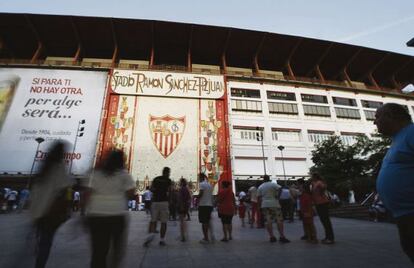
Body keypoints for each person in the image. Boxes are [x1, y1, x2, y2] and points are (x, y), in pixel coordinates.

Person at [375, 103, 414, 263]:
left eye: (377, 117)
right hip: (404, 214)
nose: (374, 122)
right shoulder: (397, 139)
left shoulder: (411, 133)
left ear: (391, 116)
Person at [86, 150, 135, 268]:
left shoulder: (96, 173)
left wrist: (83, 212)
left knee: (98, 251)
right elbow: (130, 194)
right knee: (117, 250)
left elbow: (87, 193)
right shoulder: (124, 174)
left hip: (96, 215)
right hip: (116, 215)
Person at [30, 141, 73, 268]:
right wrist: (68, 206)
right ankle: (40, 264)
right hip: (50, 212)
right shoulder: (59, 168)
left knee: (42, 237)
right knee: (46, 242)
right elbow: (67, 189)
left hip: (37, 211)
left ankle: (37, 251)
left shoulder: (42, 168)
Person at [144, 167, 172, 247]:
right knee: (164, 221)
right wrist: (169, 201)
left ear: (162, 171)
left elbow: (151, 189)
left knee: (153, 220)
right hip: (164, 202)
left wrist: (157, 191)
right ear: (168, 173)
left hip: (155, 201)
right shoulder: (168, 180)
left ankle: (150, 236)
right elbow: (170, 191)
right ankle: (162, 240)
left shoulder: (156, 179)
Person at [257, 175, 290, 243]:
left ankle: (272, 237)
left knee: (268, 221)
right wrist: (278, 196)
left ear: (263, 179)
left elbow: (258, 197)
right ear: (269, 179)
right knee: (279, 220)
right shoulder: (273, 184)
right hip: (275, 203)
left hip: (265, 204)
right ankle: (282, 236)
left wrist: (259, 206)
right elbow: (280, 188)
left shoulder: (260, 186)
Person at [311, 173, 335, 244]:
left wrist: (321, 191)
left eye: (312, 176)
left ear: (315, 177)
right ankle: (327, 237)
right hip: (318, 203)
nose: (311, 177)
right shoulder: (314, 183)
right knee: (323, 220)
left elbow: (324, 187)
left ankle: (330, 238)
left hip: (323, 203)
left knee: (326, 220)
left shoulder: (319, 182)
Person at [198, 173, 214, 244]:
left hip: (203, 205)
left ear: (201, 178)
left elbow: (201, 193)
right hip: (209, 205)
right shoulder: (209, 185)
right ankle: (211, 235)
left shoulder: (202, 184)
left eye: (198, 177)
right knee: (208, 221)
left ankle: (206, 238)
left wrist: (196, 198)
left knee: (204, 222)